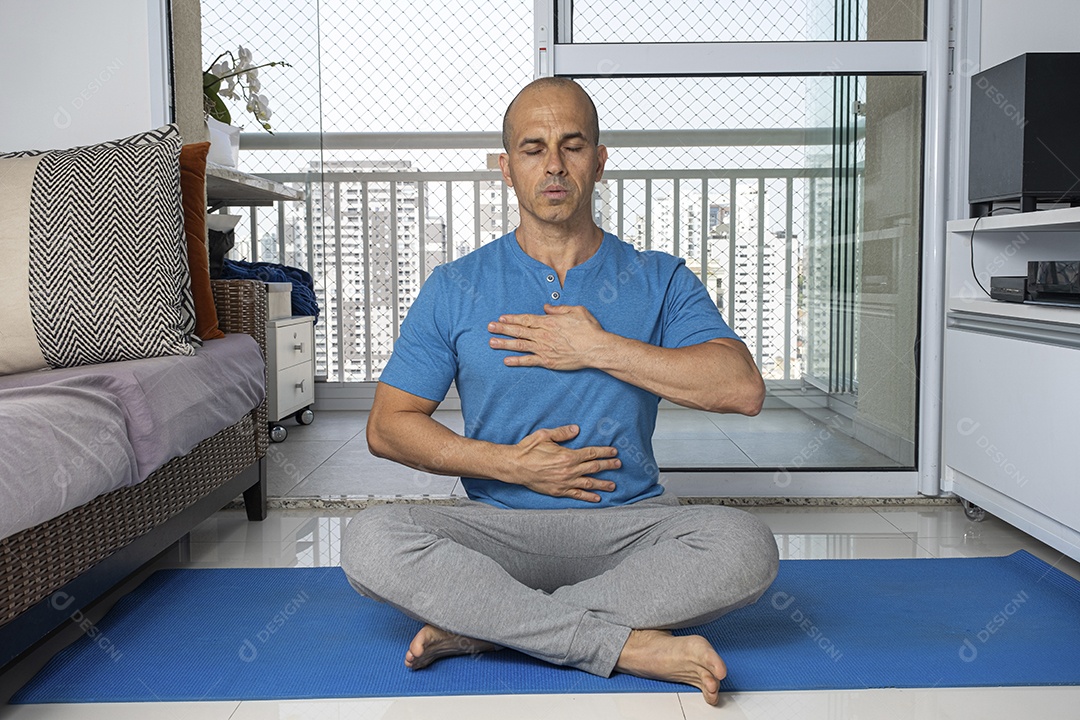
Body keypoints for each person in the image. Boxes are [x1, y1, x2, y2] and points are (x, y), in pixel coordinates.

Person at [341, 77, 779, 706]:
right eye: (533, 148)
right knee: (370, 539)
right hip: (497, 533)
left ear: (599, 161)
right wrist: (509, 464)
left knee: (745, 546)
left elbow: (740, 388)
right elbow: (388, 426)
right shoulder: (455, 285)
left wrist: (596, 347)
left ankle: (489, 627)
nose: (553, 164)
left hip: (632, 530)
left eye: (572, 146)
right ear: (506, 168)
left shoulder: (659, 277)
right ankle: (619, 644)